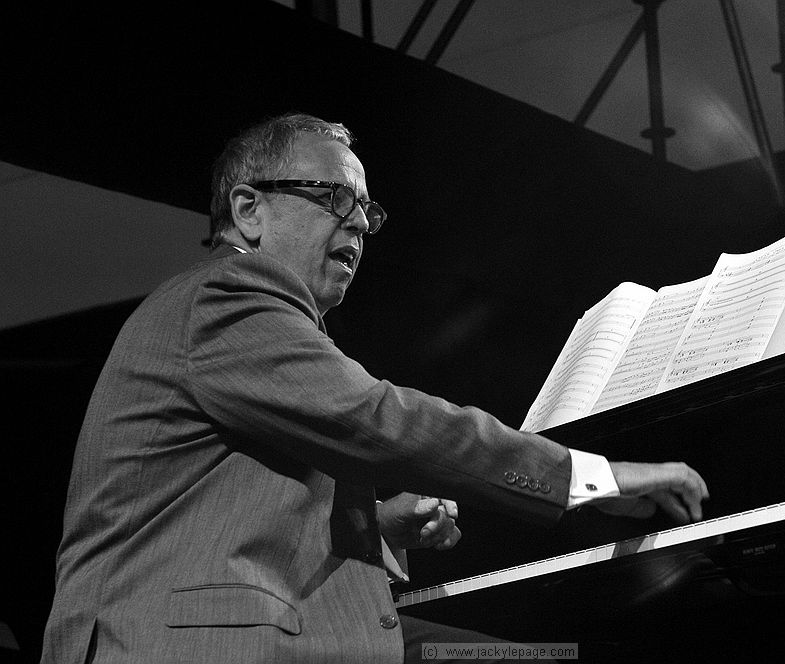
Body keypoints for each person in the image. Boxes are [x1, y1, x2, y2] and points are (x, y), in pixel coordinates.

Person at [40, 112, 709, 663]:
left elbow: (236, 521)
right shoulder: (226, 299)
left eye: (366, 209)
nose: (360, 224)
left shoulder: (252, 326)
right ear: (249, 210)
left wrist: (380, 526)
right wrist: (593, 478)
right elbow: (380, 419)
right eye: (334, 198)